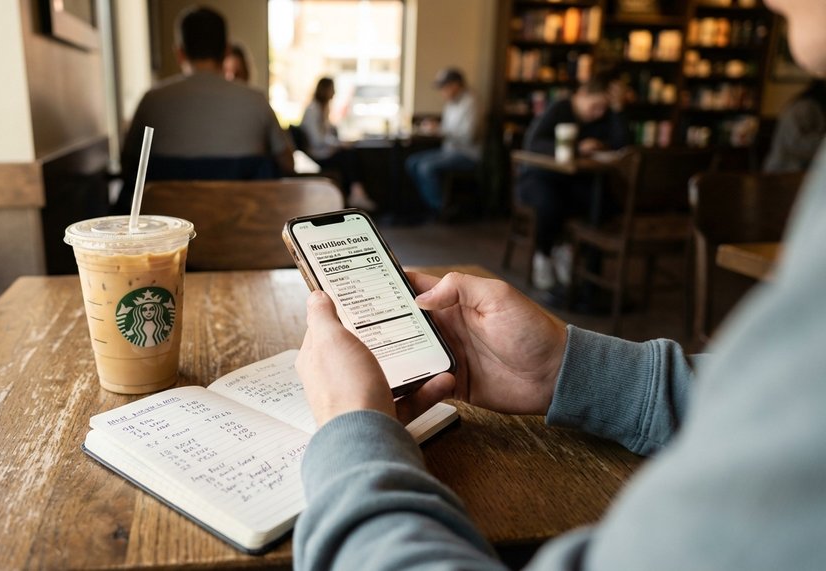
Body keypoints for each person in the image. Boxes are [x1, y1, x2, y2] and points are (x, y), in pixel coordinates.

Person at [292, 0, 826, 568]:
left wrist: (353, 431)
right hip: (561, 201)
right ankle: (555, 259)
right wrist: (567, 368)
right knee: (550, 199)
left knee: (552, 201)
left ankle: (555, 258)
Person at [115, 7, 292, 214]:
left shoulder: (152, 100)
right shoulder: (256, 101)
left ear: (179, 52)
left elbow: (127, 165)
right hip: (245, 236)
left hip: (167, 236)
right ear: (226, 50)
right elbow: (287, 163)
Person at [517, 74, 629, 292]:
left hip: (577, 180)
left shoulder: (603, 117)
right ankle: (545, 254)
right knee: (550, 202)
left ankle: (574, 256)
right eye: (596, 106)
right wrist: (577, 147)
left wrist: (618, 110)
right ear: (582, 94)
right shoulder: (560, 108)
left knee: (603, 202)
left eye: (604, 109)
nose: (599, 113)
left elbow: (621, 145)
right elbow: (533, 143)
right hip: (539, 177)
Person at [405, 67, 482, 219]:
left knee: (426, 167)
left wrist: (440, 130)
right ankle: (433, 206)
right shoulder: (451, 103)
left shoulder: (472, 102)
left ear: (455, 85)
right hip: (449, 151)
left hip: (467, 154)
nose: (442, 91)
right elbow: (448, 129)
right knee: (412, 162)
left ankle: (442, 210)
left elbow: (469, 136)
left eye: (443, 87)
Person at [299, 77, 376, 210]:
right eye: (332, 89)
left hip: (324, 152)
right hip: (317, 156)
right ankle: (356, 194)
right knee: (349, 156)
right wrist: (339, 144)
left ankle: (354, 194)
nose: (334, 93)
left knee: (350, 155)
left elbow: (327, 134)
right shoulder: (313, 109)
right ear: (325, 90)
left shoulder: (323, 109)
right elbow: (318, 140)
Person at [764, 79, 826, 173]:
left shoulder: (814, 107)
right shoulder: (804, 107)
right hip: (784, 170)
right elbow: (795, 142)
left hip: (799, 171)